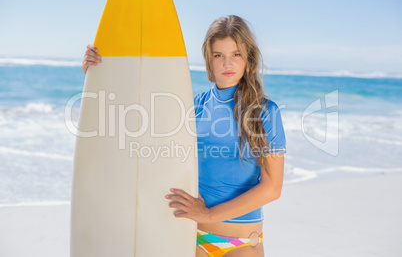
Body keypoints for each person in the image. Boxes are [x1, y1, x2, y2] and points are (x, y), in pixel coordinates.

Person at [82, 15, 286, 257]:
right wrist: (98, 76)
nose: (226, 63)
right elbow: (134, 122)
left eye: (236, 54)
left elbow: (272, 188)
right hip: (189, 237)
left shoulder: (264, 112)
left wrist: (209, 214)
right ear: (208, 60)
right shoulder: (192, 105)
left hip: (241, 243)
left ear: (248, 57)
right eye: (218, 55)